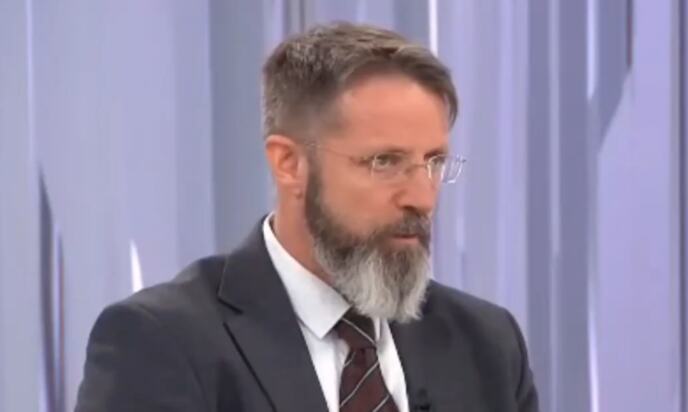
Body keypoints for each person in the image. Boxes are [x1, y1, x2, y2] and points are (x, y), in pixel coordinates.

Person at [75, 22, 539, 412]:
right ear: (289, 164)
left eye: (434, 163)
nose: (422, 197)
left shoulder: (487, 345)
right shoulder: (162, 343)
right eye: (384, 162)